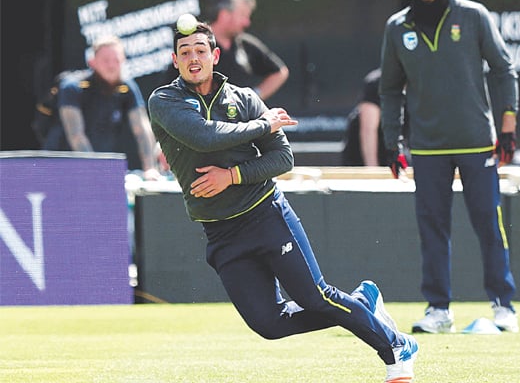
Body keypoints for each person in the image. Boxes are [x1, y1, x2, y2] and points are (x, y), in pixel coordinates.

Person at [148, 20, 418, 382]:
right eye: (185, 53)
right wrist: (264, 124)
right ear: (175, 60)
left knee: (316, 297)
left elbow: (283, 159)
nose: (193, 58)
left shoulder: (244, 98)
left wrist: (232, 176)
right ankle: (363, 304)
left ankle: (395, 348)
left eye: (200, 50)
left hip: (266, 217)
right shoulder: (164, 99)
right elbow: (203, 137)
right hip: (221, 233)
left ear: (215, 55)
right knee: (269, 325)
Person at [380, 0, 519, 333]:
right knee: (432, 229)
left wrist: (507, 129)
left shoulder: (472, 16)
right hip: (426, 146)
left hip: (477, 142)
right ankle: (438, 310)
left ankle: (503, 306)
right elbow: (390, 90)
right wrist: (392, 143)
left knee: (489, 224)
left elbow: (505, 69)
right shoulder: (397, 26)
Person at [44, 35, 162, 181]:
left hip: (96, 169)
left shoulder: (127, 87)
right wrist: (95, 171)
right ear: (92, 62)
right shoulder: (72, 87)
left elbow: (142, 129)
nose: (112, 66)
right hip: (60, 168)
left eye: (116, 60)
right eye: (106, 60)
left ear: (123, 60)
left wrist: (150, 169)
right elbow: (76, 135)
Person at [160, 0, 289, 102]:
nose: (247, 22)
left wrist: (252, 98)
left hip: (242, 126)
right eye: (243, 15)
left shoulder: (246, 44)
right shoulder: (192, 45)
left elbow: (280, 72)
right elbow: (167, 94)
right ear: (224, 15)